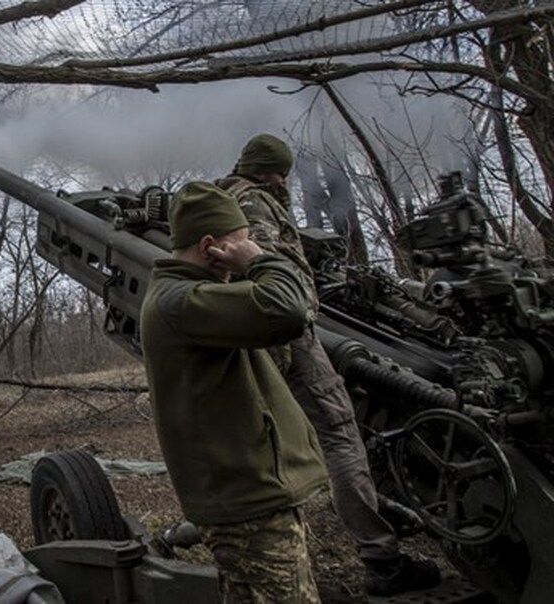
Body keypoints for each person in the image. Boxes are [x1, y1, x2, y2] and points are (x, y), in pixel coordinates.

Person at [217, 133, 441, 597]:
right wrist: (295, 314)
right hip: (288, 334)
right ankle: (382, 558)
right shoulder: (253, 201)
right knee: (340, 433)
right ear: (267, 170)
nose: (285, 179)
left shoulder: (224, 198)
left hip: (267, 336)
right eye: (281, 171)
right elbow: (262, 266)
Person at [140, 181, 328, 603]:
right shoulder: (182, 301)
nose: (246, 250)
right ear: (210, 246)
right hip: (246, 505)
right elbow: (287, 311)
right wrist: (260, 260)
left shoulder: (194, 296)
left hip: (245, 497)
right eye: (239, 243)